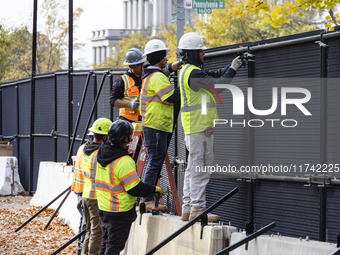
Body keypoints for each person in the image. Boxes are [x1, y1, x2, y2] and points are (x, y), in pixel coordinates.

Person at [177, 32, 243, 222]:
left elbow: (213, 75)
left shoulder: (187, 70)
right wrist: (234, 70)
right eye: (201, 52)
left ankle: (188, 208)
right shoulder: (194, 73)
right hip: (199, 127)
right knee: (201, 167)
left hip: (194, 126)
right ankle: (198, 209)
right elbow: (218, 86)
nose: (203, 55)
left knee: (192, 167)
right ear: (192, 53)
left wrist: (230, 67)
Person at [93, 120, 163, 255]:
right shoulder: (124, 161)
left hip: (104, 208)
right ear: (126, 138)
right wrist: (153, 189)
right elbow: (134, 188)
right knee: (113, 248)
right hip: (120, 212)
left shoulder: (101, 154)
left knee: (105, 244)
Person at [139, 39, 181, 212]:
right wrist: (186, 85)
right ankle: (147, 199)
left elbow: (165, 71)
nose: (166, 60)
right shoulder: (157, 77)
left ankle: (146, 196)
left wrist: (174, 67)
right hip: (157, 125)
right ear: (158, 57)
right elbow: (171, 96)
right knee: (155, 161)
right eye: (164, 57)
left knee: (153, 160)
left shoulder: (153, 74)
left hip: (154, 125)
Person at [81, 118, 112, 255]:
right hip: (95, 197)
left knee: (89, 231)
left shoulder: (85, 149)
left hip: (86, 195)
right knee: (96, 233)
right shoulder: (99, 153)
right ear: (105, 137)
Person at [109, 48, 146, 123]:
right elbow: (113, 101)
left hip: (145, 121)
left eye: (142, 64)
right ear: (131, 66)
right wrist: (130, 104)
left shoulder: (147, 77)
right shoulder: (122, 80)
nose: (142, 67)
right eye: (139, 65)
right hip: (127, 121)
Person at [71, 143, 86, 255]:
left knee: (83, 223)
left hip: (79, 189)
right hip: (86, 192)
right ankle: (81, 251)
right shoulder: (92, 151)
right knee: (86, 226)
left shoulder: (82, 147)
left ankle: (79, 251)